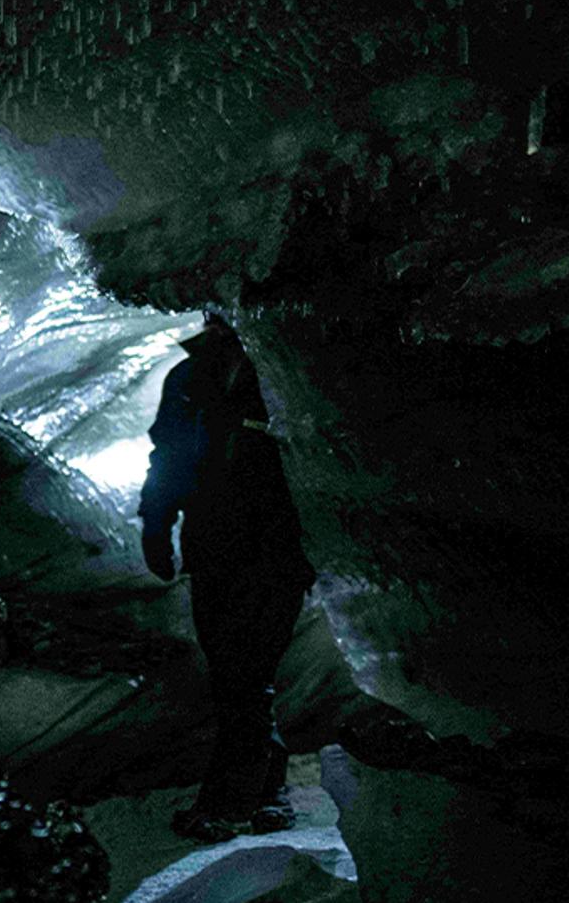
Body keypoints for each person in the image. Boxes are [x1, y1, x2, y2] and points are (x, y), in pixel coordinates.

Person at [139, 313, 316, 841]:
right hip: (216, 548)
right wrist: (156, 523)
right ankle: (266, 792)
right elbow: (168, 455)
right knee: (236, 677)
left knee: (247, 675)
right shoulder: (190, 377)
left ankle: (229, 802)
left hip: (276, 550)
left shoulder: (286, 366)